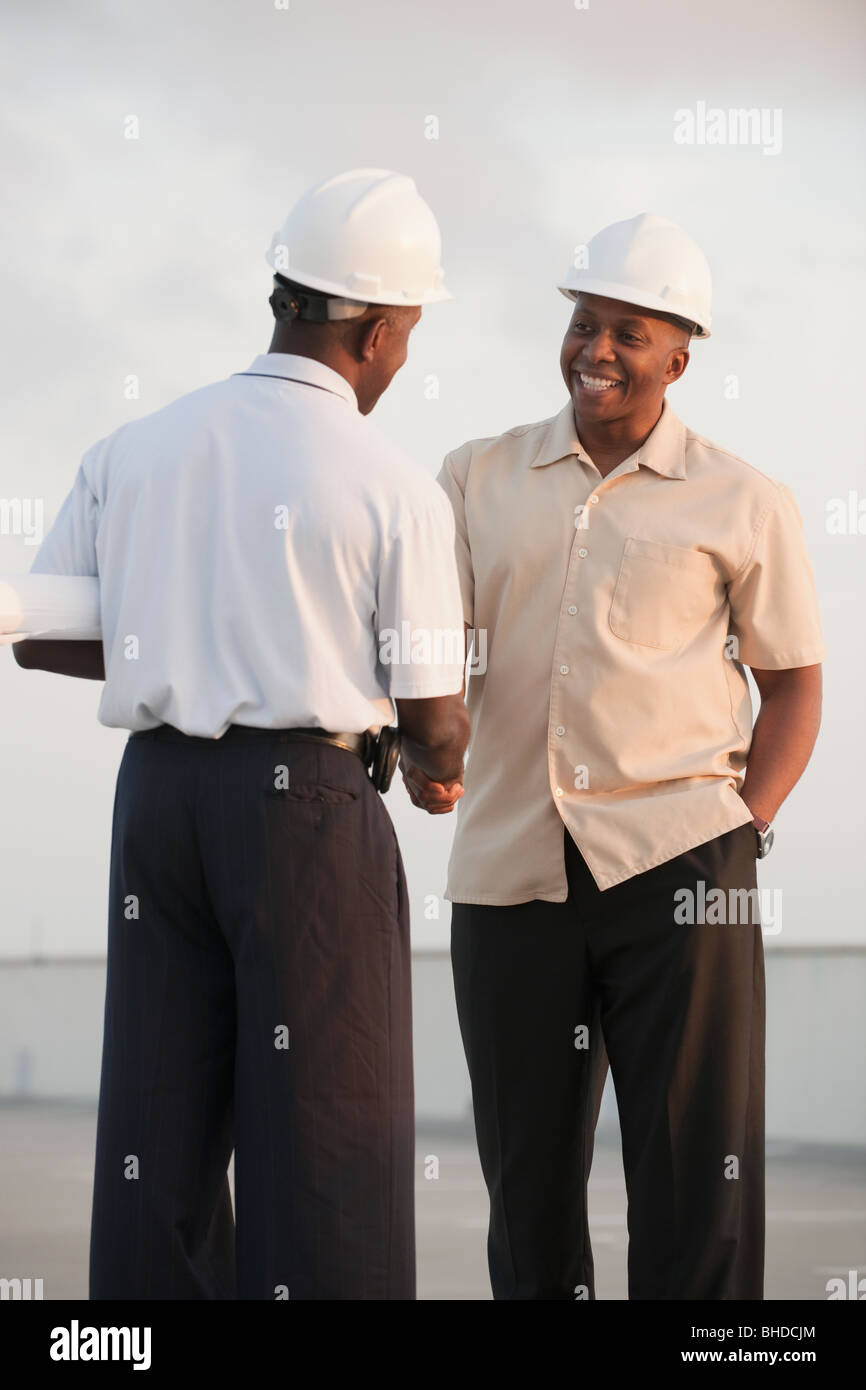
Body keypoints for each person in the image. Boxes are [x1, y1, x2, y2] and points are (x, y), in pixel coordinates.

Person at [14, 168, 470, 1300]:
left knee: (154, 1129)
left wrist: (180, 644)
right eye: (406, 335)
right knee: (328, 1140)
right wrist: (434, 773)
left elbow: (38, 630)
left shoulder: (138, 445)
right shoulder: (391, 482)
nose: (402, 359)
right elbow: (435, 711)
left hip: (159, 800)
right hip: (307, 812)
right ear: (372, 330)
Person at [402, 212, 825, 1300]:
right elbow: (433, 653)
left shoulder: (743, 500)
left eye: (627, 332)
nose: (595, 349)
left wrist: (748, 824)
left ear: (679, 356)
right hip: (508, 874)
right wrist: (423, 746)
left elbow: (792, 684)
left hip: (680, 863)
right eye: (584, 323)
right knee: (527, 1189)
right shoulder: (473, 476)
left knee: (695, 1186)